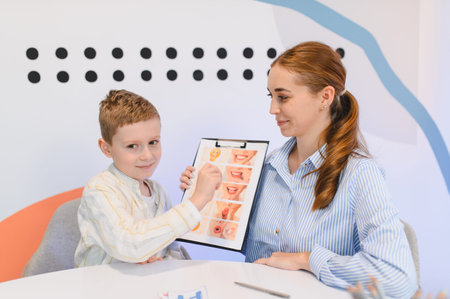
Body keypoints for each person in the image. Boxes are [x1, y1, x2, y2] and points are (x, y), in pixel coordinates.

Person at [180, 41, 418, 298]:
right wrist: (205, 199)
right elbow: (253, 248)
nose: (273, 109)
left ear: (325, 97)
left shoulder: (361, 174)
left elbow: (397, 278)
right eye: (271, 96)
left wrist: (307, 259)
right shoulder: (268, 167)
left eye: (283, 97)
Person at [74, 89, 222, 267]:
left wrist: (195, 195)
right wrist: (196, 201)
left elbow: (170, 244)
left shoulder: (158, 191)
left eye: (153, 142)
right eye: (132, 146)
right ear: (106, 149)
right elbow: (131, 245)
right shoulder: (99, 190)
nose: (147, 156)